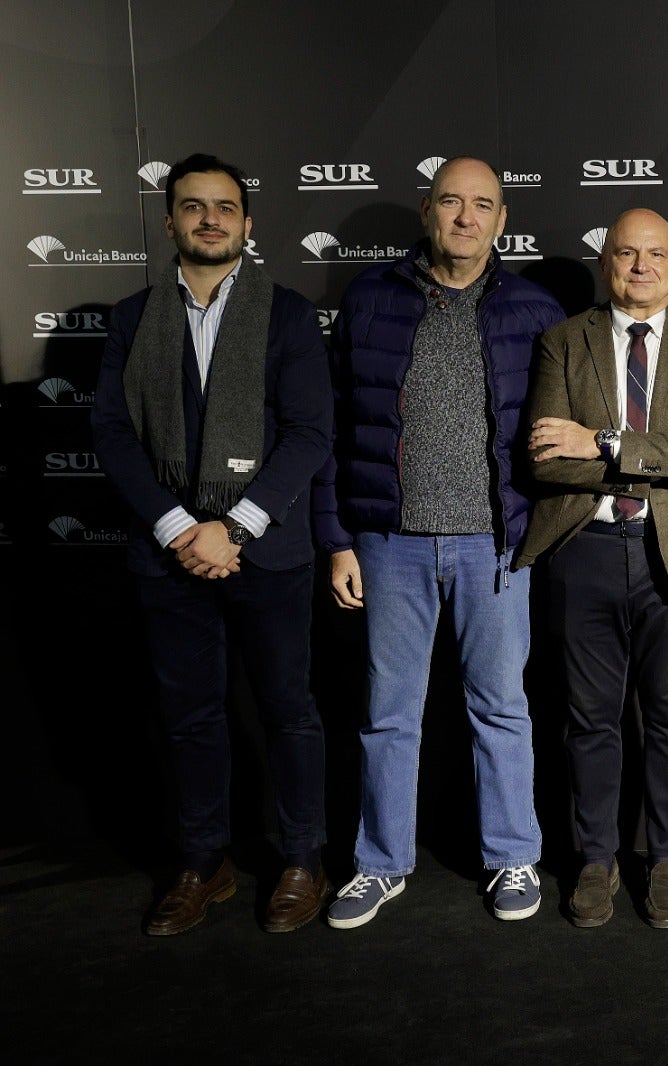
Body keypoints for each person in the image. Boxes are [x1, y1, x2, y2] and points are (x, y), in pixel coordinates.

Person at [313, 156, 564, 927]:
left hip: (494, 544)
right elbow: (331, 426)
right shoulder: (371, 297)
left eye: (482, 204)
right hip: (389, 542)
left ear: (501, 219)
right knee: (389, 711)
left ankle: (514, 857)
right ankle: (381, 863)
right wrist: (336, 537)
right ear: (427, 211)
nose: (465, 217)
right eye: (451, 202)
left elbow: (565, 426)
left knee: (502, 708)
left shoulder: (535, 306)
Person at [92, 152, 332, 935]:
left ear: (248, 223)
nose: (210, 219)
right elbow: (112, 432)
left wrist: (232, 526)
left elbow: (308, 434)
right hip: (168, 556)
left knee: (288, 712)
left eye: (224, 207)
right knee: (190, 716)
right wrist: (178, 527)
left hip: (265, 551)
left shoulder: (288, 314)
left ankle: (302, 858)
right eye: (193, 207)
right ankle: (205, 862)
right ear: (169, 221)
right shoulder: (133, 318)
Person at [519, 208, 668, 928]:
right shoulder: (562, 342)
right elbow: (549, 461)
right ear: (605, 262)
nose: (640, 267)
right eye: (625, 253)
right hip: (583, 553)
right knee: (590, 720)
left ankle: (665, 860)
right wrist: (658, 450)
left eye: (656, 255)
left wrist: (603, 441)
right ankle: (596, 861)